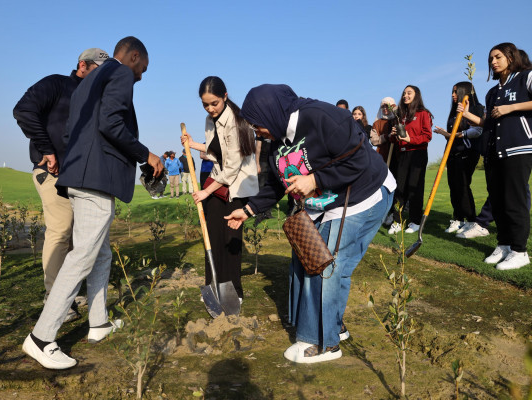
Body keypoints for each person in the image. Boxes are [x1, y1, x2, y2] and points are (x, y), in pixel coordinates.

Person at [225, 84, 395, 364]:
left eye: (257, 125)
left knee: (324, 267)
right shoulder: (277, 138)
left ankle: (323, 344)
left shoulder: (324, 118)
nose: (257, 132)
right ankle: (334, 327)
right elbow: (277, 184)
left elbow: (360, 161)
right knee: (314, 259)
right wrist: (248, 209)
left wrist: (314, 180)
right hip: (328, 203)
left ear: (271, 113)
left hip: (364, 195)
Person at [22, 36, 163, 370]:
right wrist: (146, 154)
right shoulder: (122, 74)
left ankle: (98, 323)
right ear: (134, 56)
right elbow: (111, 123)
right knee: (83, 255)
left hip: (81, 174)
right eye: (144, 66)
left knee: (100, 252)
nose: (143, 74)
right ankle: (41, 338)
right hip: (95, 179)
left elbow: (73, 133)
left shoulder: (87, 83)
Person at [13, 47, 109, 322]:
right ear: (82, 65)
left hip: (81, 178)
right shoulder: (56, 84)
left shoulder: (95, 98)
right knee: (60, 230)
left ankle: (72, 291)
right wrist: (46, 149)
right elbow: (23, 110)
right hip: (51, 173)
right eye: (97, 71)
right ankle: (54, 297)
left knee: (82, 234)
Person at [181, 76, 259, 302]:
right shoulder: (210, 120)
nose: (210, 108)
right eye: (205, 104)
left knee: (230, 240)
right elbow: (216, 152)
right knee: (213, 237)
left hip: (236, 187)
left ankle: (234, 291)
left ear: (225, 96)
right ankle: (213, 287)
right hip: (218, 183)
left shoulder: (235, 122)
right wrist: (193, 144)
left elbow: (233, 167)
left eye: (214, 103)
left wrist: (205, 191)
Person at [458, 43, 532, 270]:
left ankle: (520, 251)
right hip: (493, 151)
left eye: (497, 57)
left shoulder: (526, 77)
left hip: (517, 148)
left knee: (514, 200)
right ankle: (504, 244)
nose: (493, 62)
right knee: (498, 201)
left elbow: (510, 110)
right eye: (490, 59)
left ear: (511, 57)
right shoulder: (493, 92)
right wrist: (467, 114)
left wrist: (510, 108)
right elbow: (488, 123)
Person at [433, 82, 484, 234]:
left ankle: (471, 220)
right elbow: (452, 135)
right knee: (453, 186)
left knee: (462, 185)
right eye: (452, 92)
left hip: (468, 152)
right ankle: (458, 218)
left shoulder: (477, 108)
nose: (453, 95)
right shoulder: (454, 111)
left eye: (456, 92)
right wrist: (446, 135)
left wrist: (458, 135)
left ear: (465, 92)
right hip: (452, 153)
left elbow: (479, 130)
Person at [387, 85, 433, 235]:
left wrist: (410, 138)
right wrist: (395, 134)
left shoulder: (423, 113)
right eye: (404, 93)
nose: (405, 95)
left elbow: (427, 136)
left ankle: (415, 221)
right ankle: (397, 221)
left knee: (415, 188)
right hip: (403, 154)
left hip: (417, 154)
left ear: (416, 95)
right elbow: (397, 140)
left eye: (409, 93)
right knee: (399, 188)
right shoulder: (401, 115)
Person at [369, 97, 398, 226]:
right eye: (383, 107)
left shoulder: (396, 120)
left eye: (388, 106)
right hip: (381, 157)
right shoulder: (377, 123)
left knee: (395, 185)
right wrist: (387, 136)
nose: (386, 109)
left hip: (397, 156)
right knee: (381, 185)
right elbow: (374, 140)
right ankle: (380, 212)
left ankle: (393, 213)